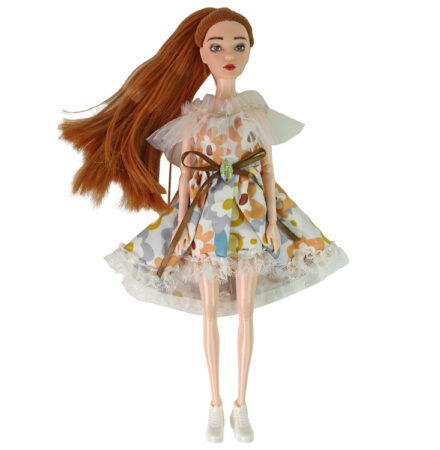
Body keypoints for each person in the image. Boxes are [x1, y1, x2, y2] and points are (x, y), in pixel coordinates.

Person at [58, 7, 349, 443]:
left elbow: (268, 168)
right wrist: (179, 228)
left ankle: (241, 404)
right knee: (210, 313)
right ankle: (215, 404)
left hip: (251, 217)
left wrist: (273, 220)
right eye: (218, 46)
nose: (229, 55)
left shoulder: (255, 108)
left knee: (246, 313)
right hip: (207, 220)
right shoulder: (194, 114)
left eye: (238, 46)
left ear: (250, 51)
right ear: (202, 55)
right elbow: (188, 177)